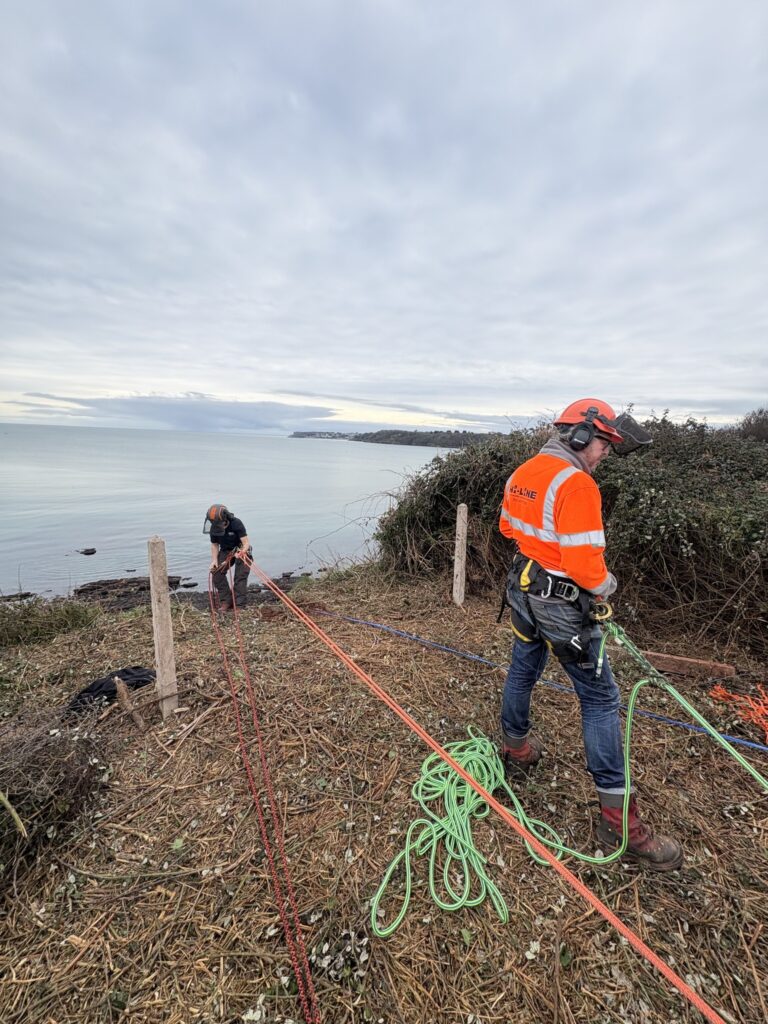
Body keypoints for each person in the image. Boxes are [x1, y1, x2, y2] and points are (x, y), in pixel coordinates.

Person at [498, 399, 683, 871]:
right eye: (604, 443)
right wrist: (607, 586)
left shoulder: (526, 470)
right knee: (601, 700)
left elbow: (508, 528)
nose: (603, 454)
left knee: (524, 665)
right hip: (560, 604)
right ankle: (621, 823)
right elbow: (585, 567)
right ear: (580, 435)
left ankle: (515, 746)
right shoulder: (576, 484)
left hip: (522, 588)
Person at [203, 504, 252, 609]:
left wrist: (242, 552)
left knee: (240, 577)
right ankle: (226, 601)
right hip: (226, 551)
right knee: (216, 574)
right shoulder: (213, 527)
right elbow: (214, 545)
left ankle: (240, 605)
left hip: (241, 550)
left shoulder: (236, 523)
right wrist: (214, 560)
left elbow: (246, 542)